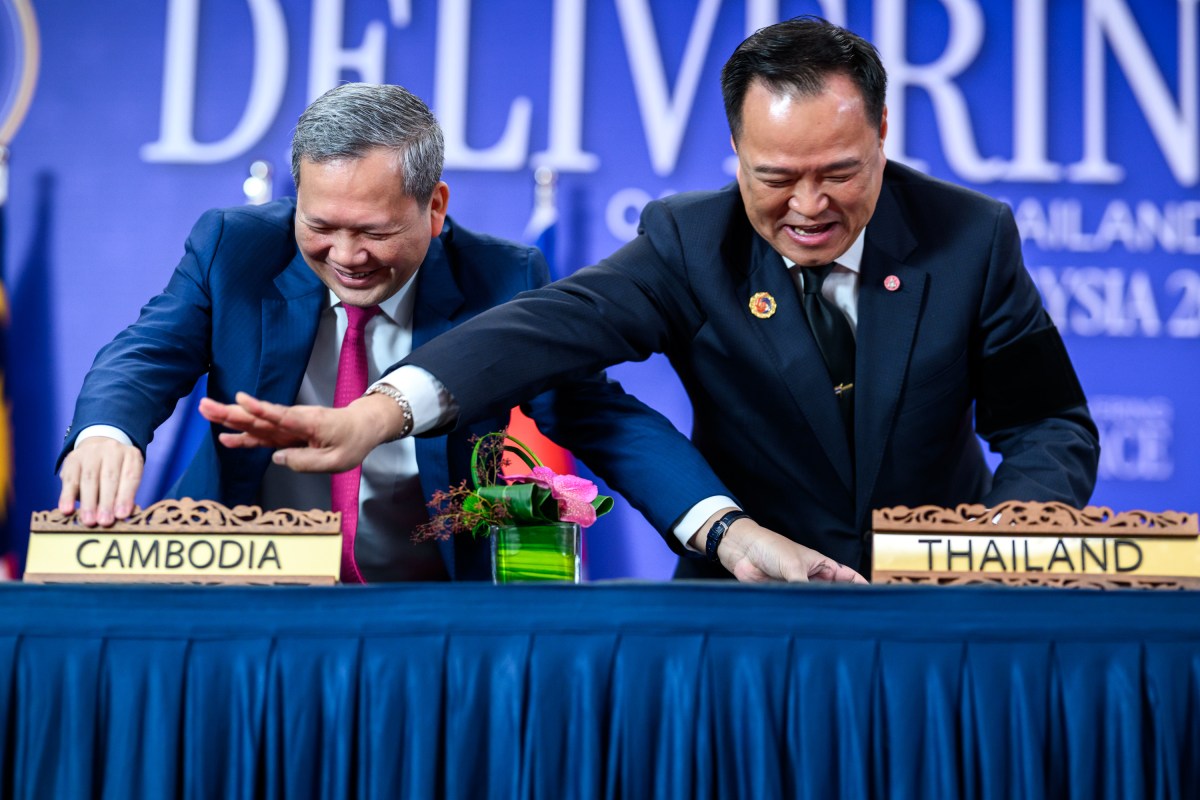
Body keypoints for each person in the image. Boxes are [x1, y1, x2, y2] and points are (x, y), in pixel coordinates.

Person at [202, 17, 1099, 581]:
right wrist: (380, 414)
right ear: (736, 152)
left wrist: (1000, 552)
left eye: (841, 173)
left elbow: (1048, 421)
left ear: (885, 136)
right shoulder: (690, 240)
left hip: (938, 598)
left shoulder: (970, 234)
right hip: (745, 590)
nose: (810, 206)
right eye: (776, 177)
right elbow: (547, 332)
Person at [58, 83, 863, 583]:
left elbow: (595, 417)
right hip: (242, 588)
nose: (344, 257)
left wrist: (723, 530)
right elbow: (147, 351)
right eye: (320, 226)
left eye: (372, 231)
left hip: (429, 601)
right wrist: (105, 429)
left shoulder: (504, 280)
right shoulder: (234, 246)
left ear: (435, 209)